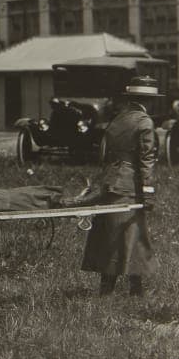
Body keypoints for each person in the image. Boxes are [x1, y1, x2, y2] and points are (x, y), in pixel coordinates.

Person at [61, 75, 159, 297]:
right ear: (149, 101)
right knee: (132, 237)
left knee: (111, 237)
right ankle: (127, 292)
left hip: (109, 182)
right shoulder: (145, 122)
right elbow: (146, 161)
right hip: (128, 186)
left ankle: (122, 290)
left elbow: (103, 154)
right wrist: (149, 194)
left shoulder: (118, 120)